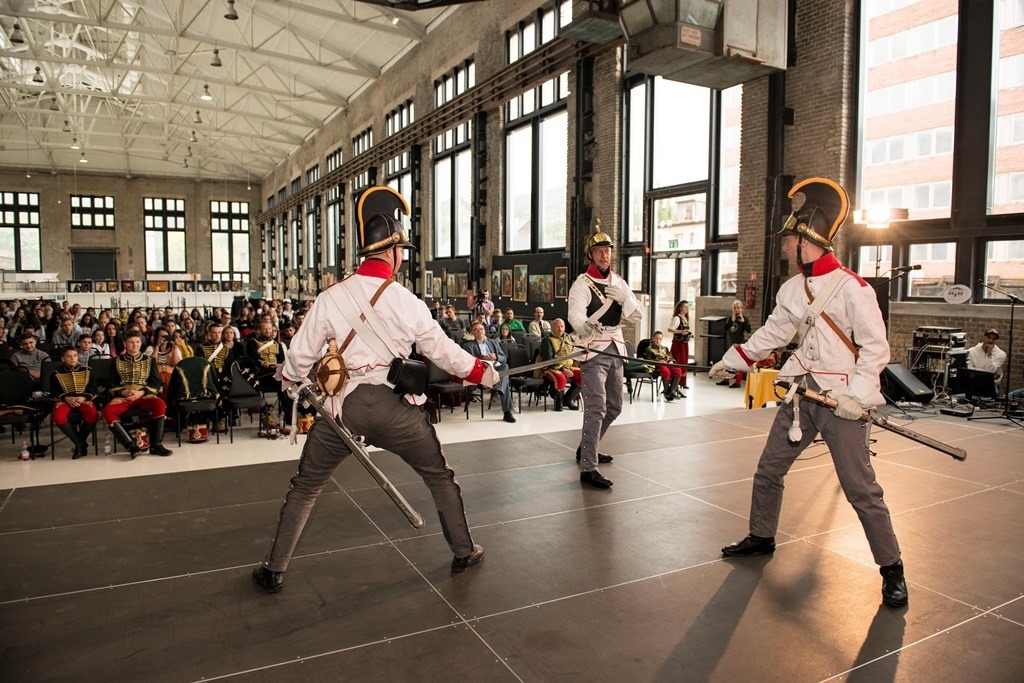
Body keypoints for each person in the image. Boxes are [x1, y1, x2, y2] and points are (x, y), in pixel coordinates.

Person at [253, 185, 499, 593]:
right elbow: (444, 353)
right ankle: (463, 550)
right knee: (439, 477)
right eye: (402, 250)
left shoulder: (330, 297)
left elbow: (298, 360)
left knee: (306, 487)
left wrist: (290, 377)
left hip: (341, 410)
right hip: (395, 410)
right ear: (393, 251)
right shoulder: (408, 301)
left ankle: (273, 569)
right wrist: (483, 372)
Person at [710, 177, 907, 608]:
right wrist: (734, 359)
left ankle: (892, 568)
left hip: (841, 399)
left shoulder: (855, 288)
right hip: (801, 393)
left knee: (860, 489)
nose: (784, 247)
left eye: (789, 240)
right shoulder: (792, 289)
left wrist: (857, 396)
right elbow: (774, 333)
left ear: (807, 241)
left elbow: (876, 349)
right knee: (768, 470)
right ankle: (761, 535)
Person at [567, 219, 642, 488]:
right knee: (597, 407)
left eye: (607, 250)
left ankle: (589, 446)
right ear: (590, 255)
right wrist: (584, 325)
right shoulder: (582, 283)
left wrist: (625, 298)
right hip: (593, 348)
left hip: (616, 348)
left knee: (615, 407)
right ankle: (589, 467)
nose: (604, 255)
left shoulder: (618, 282)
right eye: (599, 251)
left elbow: (637, 315)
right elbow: (575, 314)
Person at [102, 329, 173, 458]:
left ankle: (156, 444)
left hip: (143, 395)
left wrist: (141, 392)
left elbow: (156, 384)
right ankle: (131, 446)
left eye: (137, 342)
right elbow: (111, 385)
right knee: (107, 411)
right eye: (131, 342)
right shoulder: (116, 361)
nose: (135, 345)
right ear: (125, 344)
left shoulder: (149, 360)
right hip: (124, 396)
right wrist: (124, 392)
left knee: (160, 404)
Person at [50, 345, 99, 459]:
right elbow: (53, 392)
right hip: (65, 400)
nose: (73, 358)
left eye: (75, 355)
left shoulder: (87, 370)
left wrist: (83, 397)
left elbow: (94, 390)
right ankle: (80, 444)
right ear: (63, 359)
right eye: (69, 356)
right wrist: (66, 398)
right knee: (58, 416)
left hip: (83, 399)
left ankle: (79, 444)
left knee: (92, 414)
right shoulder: (56, 373)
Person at [463, 320, 517, 423]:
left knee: (505, 367)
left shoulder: (493, 342)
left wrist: (496, 357)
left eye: (481, 329)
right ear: (472, 333)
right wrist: (483, 358)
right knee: (504, 381)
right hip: (482, 372)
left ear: (484, 330)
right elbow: (470, 362)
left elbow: (504, 358)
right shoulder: (468, 346)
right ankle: (507, 412)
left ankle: (498, 390)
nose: (479, 331)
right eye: (476, 330)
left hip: (495, 369)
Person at [534, 318, 582, 412]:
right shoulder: (547, 340)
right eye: (557, 327)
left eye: (562, 326)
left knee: (584, 375)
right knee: (561, 378)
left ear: (564, 328)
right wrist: (563, 369)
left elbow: (575, 353)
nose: (560, 329)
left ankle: (567, 400)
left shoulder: (569, 338)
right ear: (552, 328)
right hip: (550, 368)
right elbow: (548, 360)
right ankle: (558, 403)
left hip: (569, 366)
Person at [717, 300, 751, 388]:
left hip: (740, 344)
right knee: (728, 362)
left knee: (739, 364)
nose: (737, 310)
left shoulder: (745, 318)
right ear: (733, 309)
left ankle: (738, 382)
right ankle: (726, 380)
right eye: (735, 308)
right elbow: (725, 329)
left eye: (739, 308)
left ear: (742, 309)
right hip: (732, 343)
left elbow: (748, 330)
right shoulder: (730, 318)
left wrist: (743, 321)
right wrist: (731, 321)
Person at [644, 331, 683, 401]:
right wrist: (658, 361)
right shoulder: (650, 349)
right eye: (656, 338)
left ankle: (671, 392)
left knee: (678, 370)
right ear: (653, 338)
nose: (658, 340)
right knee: (665, 371)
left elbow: (671, 357)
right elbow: (648, 360)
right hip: (657, 365)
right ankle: (667, 392)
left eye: (660, 339)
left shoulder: (665, 348)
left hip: (667, 363)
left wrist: (671, 361)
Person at [666, 300, 691, 392]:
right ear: (680, 308)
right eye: (685, 307)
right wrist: (681, 331)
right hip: (678, 343)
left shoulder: (686, 318)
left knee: (684, 361)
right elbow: (670, 329)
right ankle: (675, 381)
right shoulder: (677, 318)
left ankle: (683, 382)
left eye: (688, 307)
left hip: (684, 343)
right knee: (678, 360)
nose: (687, 309)